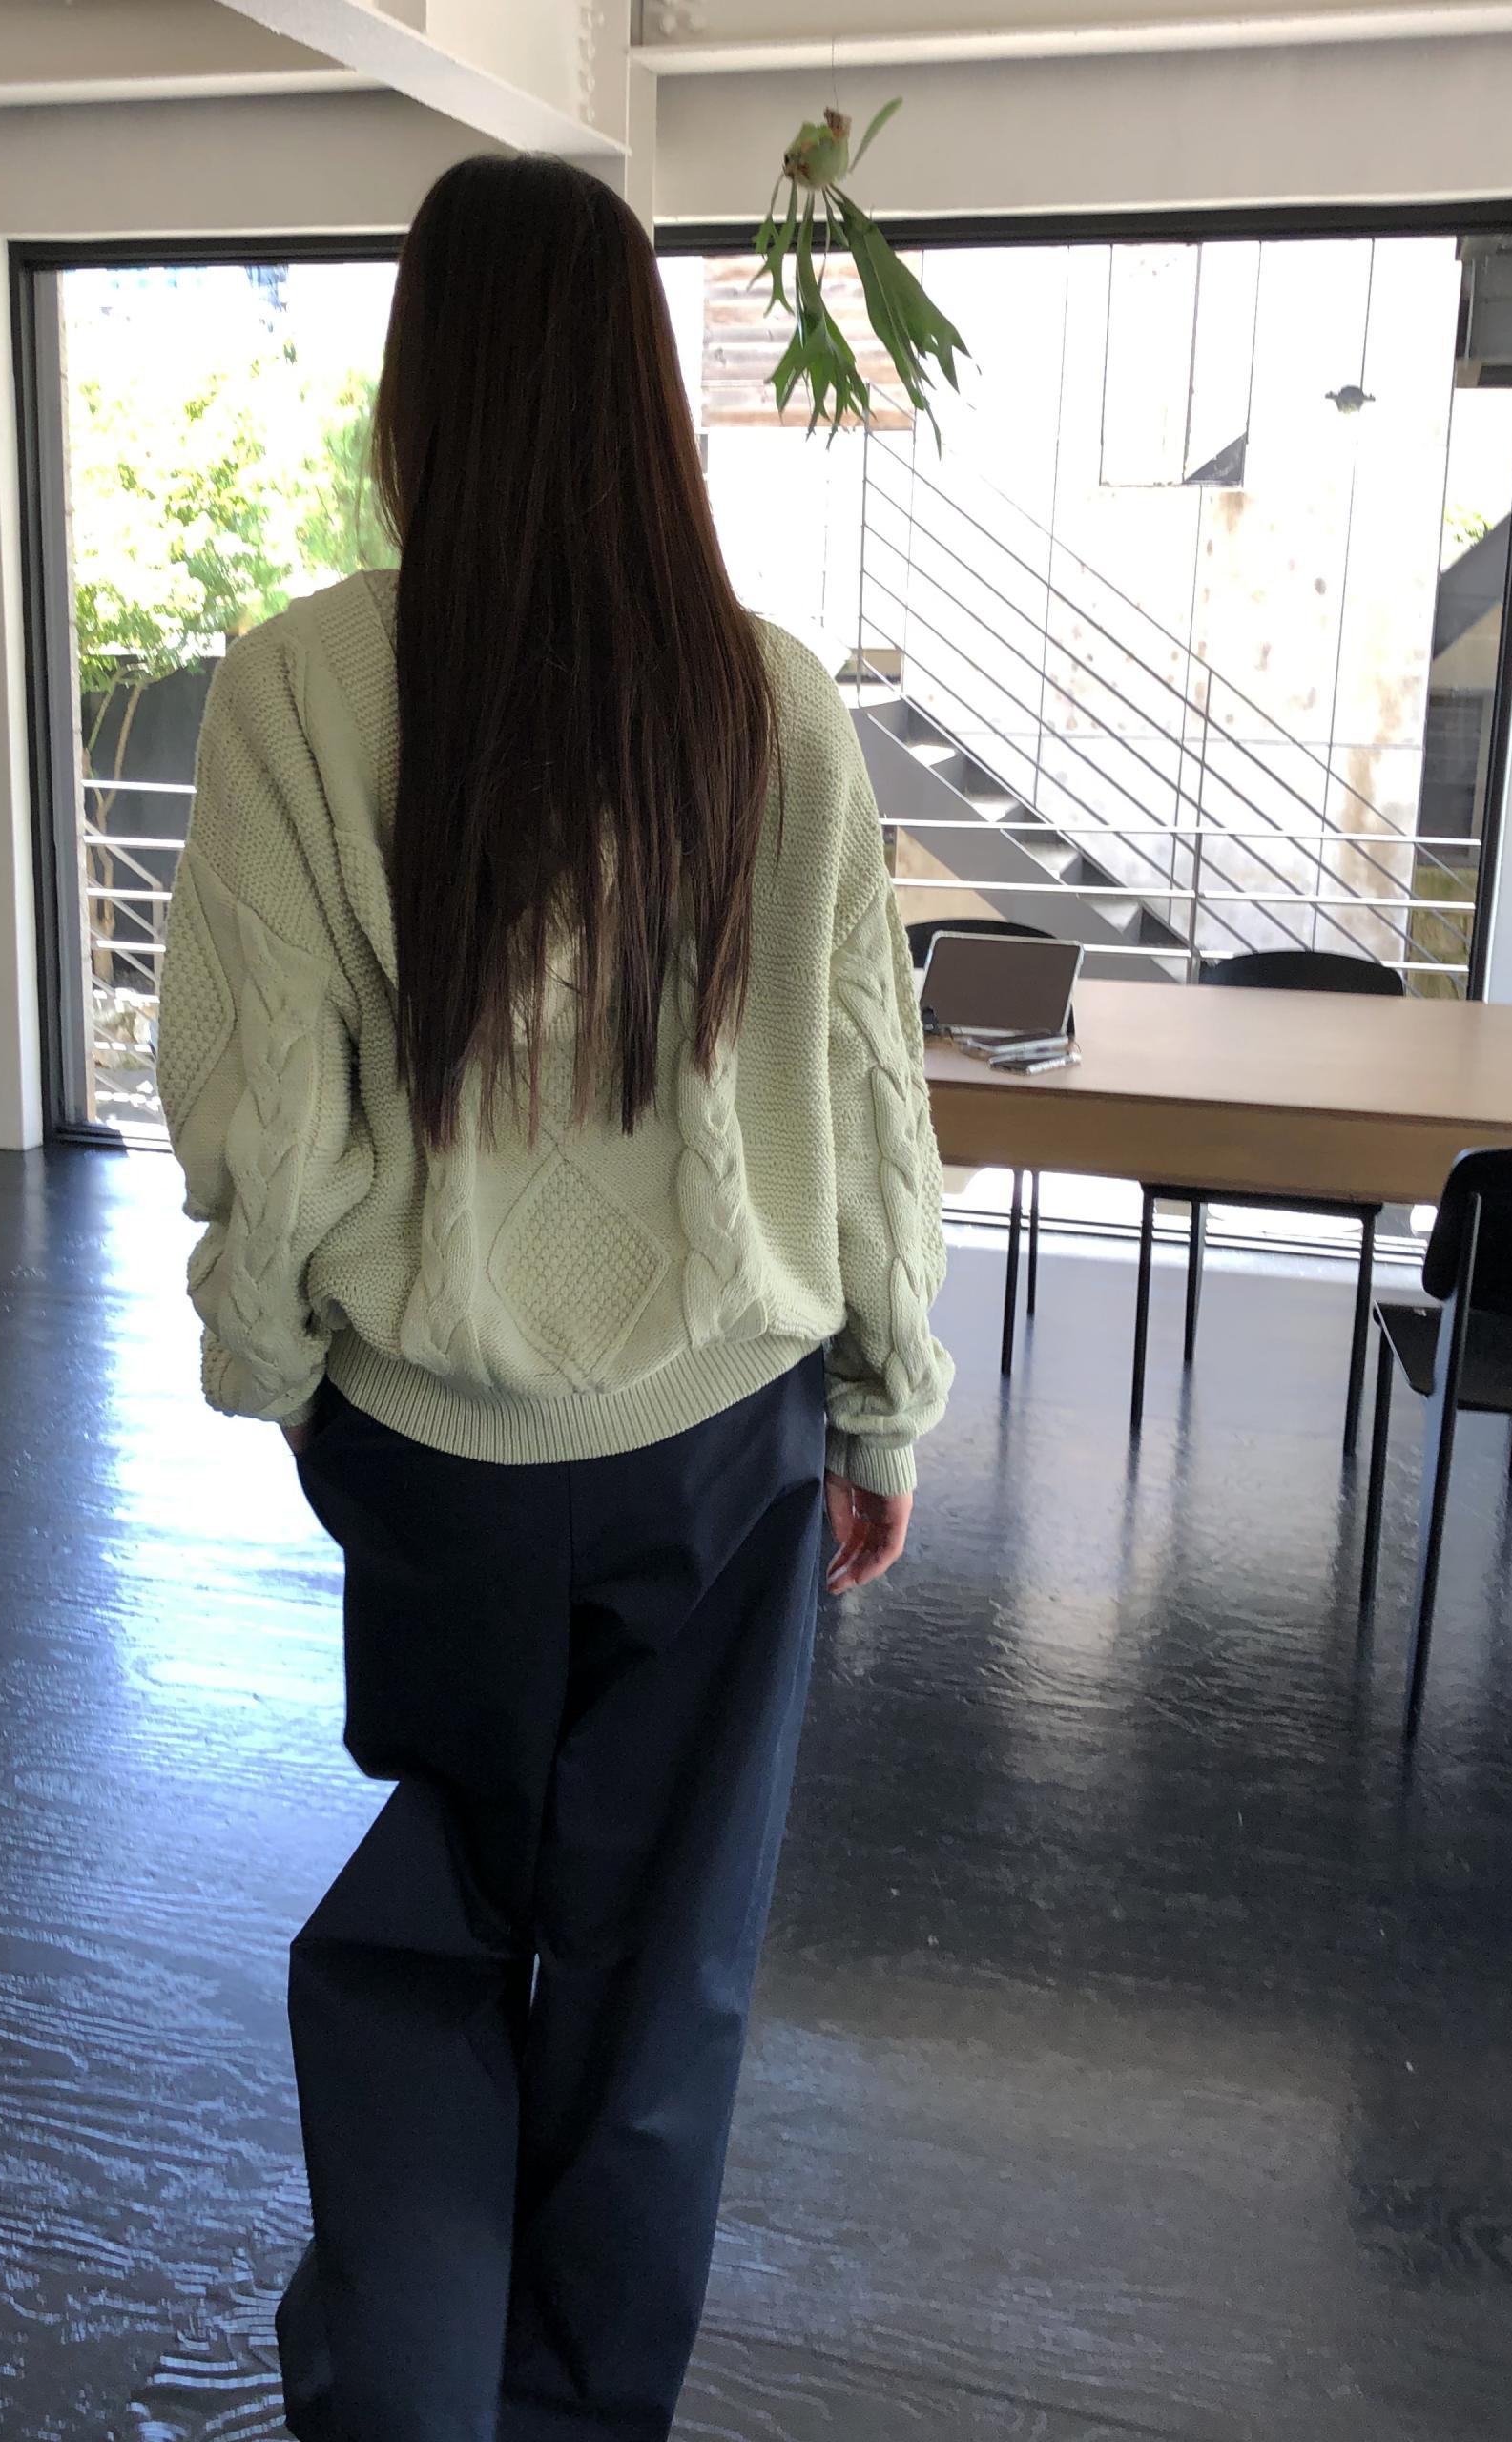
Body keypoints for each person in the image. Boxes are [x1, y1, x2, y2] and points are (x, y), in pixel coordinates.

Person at [155, 151, 952, 2442]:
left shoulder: (298, 687)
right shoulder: (771, 700)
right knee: (658, 1974)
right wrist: (883, 1402)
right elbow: (866, 1085)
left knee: (436, 1924)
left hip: (430, 1444)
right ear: (642, 399)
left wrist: (276, 1362)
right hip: (725, 1444)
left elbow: (263, 1099)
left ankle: (403, 2402)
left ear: (420, 387)